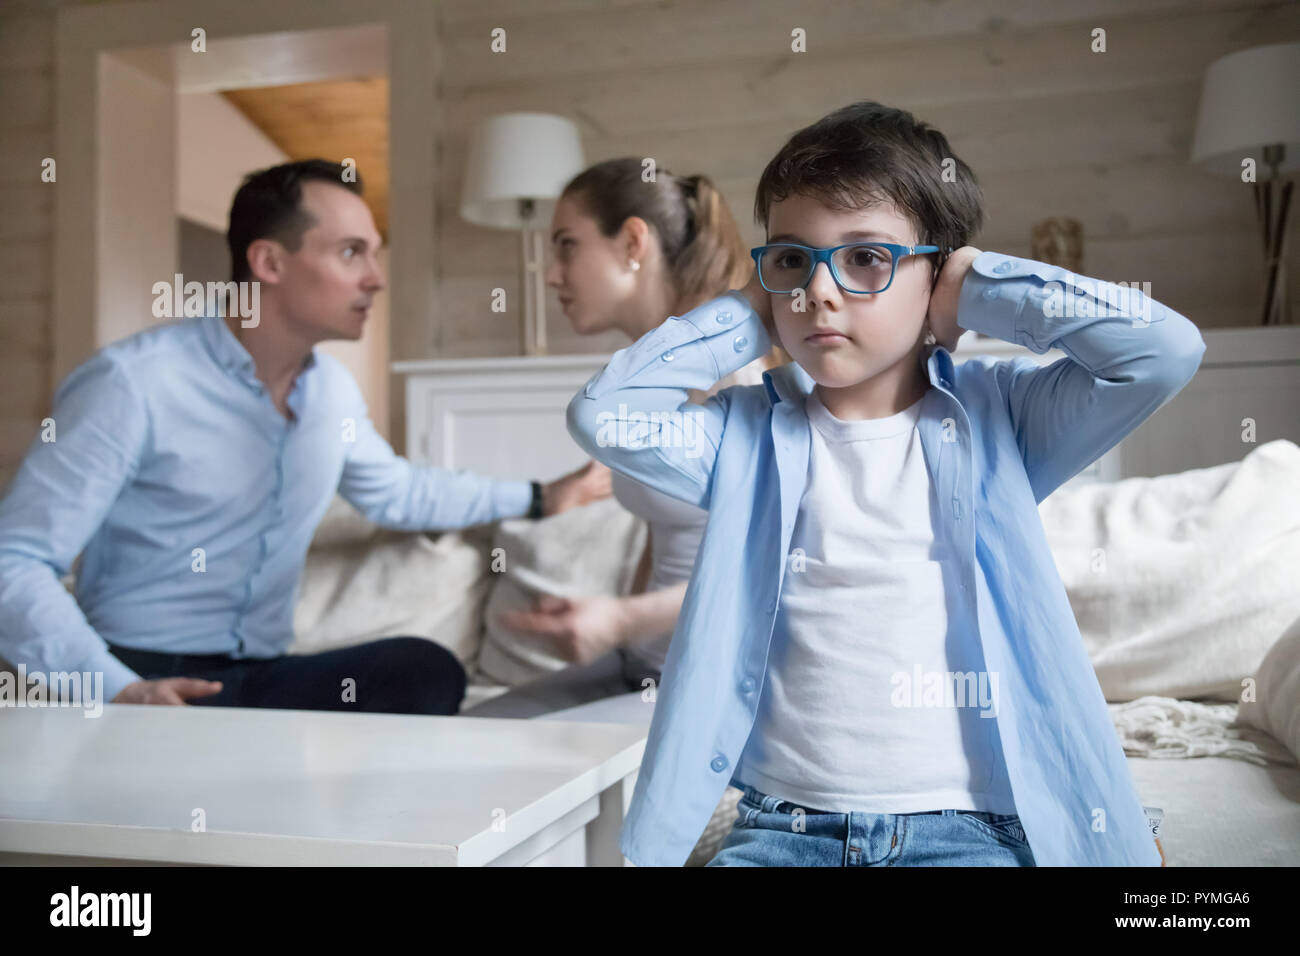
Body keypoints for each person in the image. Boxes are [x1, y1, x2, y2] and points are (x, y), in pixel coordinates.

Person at [567, 101, 1205, 866]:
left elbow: (1162, 352)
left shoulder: (1002, 417)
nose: (821, 292)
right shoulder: (742, 437)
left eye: (867, 258)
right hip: (785, 830)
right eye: (795, 260)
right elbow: (605, 414)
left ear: (934, 273)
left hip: (968, 829)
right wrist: (749, 310)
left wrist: (981, 287)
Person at [0, 159, 608, 716]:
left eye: (373, 254)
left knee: (422, 671)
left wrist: (540, 498)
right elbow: (16, 560)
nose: (374, 278)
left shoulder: (331, 392)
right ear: (268, 263)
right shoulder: (133, 384)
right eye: (351, 253)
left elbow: (400, 492)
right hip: (142, 674)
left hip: (254, 682)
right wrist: (119, 689)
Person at [463, 159, 785, 719]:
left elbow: (771, 575)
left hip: (707, 683)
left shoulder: (733, 377)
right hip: (639, 667)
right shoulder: (645, 380)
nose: (551, 274)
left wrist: (620, 620)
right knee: (470, 735)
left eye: (566, 245)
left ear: (633, 241)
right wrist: (612, 620)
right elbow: (661, 537)